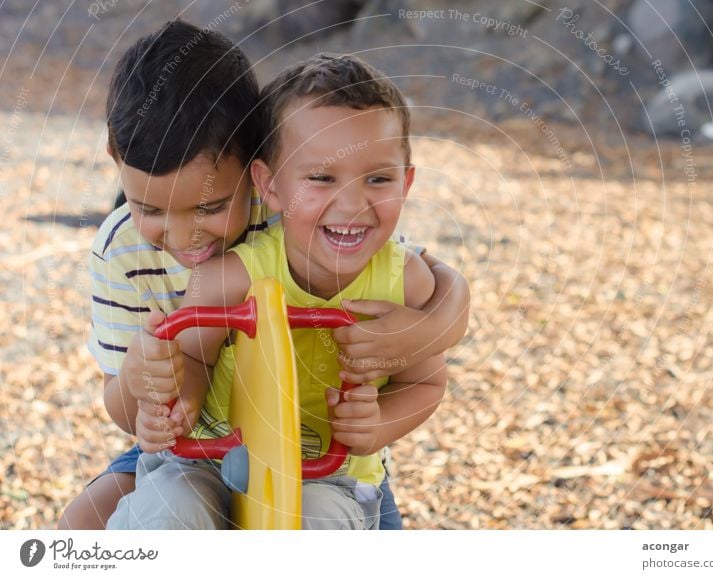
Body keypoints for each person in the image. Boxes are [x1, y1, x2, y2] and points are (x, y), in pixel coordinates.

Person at [59, 23, 469, 530]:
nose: (185, 235)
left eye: (209, 205)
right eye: (151, 208)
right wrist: (149, 386)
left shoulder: (301, 210)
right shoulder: (123, 250)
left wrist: (427, 330)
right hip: (200, 446)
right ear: (116, 161)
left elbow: (431, 287)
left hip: (321, 463)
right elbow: (137, 405)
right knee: (81, 533)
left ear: (255, 169)